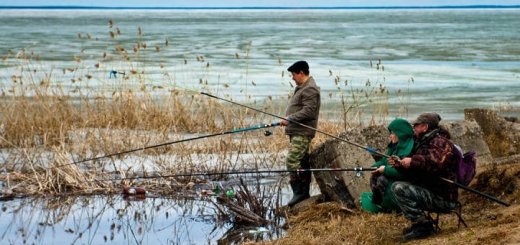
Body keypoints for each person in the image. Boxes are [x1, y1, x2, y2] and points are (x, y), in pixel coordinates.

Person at [389, 112, 459, 241]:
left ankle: (423, 227)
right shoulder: (423, 142)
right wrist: (400, 164)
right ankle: (419, 223)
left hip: (443, 198)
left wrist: (412, 161)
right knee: (396, 185)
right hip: (430, 191)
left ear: (425, 127)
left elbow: (435, 163)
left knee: (399, 188)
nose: (413, 128)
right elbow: (419, 170)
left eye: (416, 125)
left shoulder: (442, 142)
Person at [280, 60, 321, 207]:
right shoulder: (302, 87)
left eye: (293, 74)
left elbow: (309, 111)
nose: (292, 78)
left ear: (301, 73)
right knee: (303, 161)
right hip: (297, 131)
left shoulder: (310, 89)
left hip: (302, 132)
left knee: (292, 160)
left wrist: (290, 118)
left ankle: (300, 193)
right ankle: (303, 193)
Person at [361, 118, 414, 213]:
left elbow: (404, 173)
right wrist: (375, 166)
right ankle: (383, 205)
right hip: (393, 176)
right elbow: (384, 161)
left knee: (382, 179)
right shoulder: (393, 147)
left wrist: (385, 170)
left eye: (393, 133)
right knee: (375, 177)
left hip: (404, 182)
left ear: (400, 134)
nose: (390, 136)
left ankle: (394, 207)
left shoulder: (409, 149)